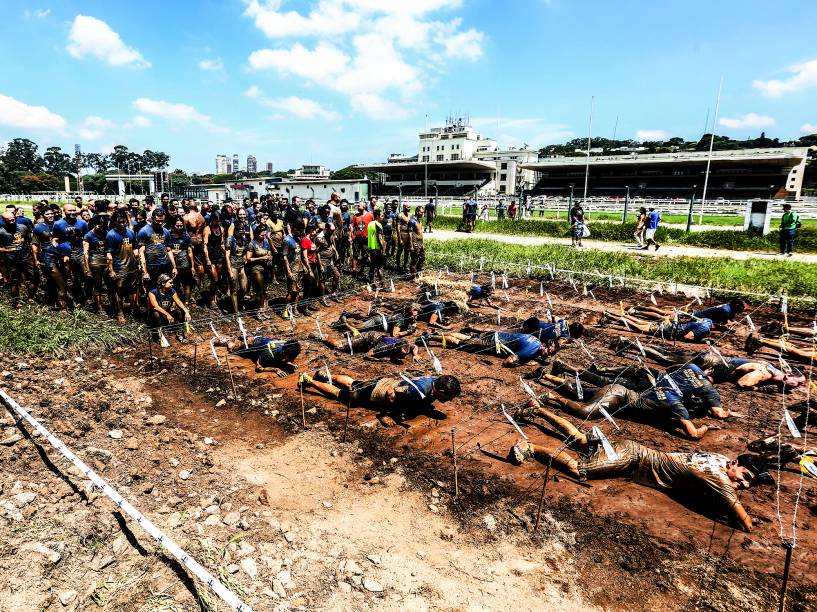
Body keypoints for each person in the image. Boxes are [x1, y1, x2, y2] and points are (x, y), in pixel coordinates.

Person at [507, 405, 767, 532]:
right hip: (631, 458)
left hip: (633, 451)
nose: (743, 485)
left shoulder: (719, 458)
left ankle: (538, 409)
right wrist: (752, 524)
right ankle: (531, 447)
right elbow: (745, 524)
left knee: (581, 440)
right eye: (744, 478)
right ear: (734, 464)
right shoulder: (718, 476)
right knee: (579, 469)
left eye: (747, 484)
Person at [535, 362, 729, 439]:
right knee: (585, 411)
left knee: (583, 391)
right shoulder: (676, 405)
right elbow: (694, 434)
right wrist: (707, 427)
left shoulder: (678, 388)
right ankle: (551, 396)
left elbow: (672, 368)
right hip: (618, 396)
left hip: (626, 390)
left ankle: (547, 377)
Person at [300, 369, 461, 423]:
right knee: (340, 393)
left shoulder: (435, 381)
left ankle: (324, 374)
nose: (449, 401)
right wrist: (384, 415)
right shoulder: (418, 390)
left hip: (384, 381)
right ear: (441, 391)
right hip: (374, 392)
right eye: (449, 397)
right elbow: (391, 394)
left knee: (354, 382)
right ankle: (309, 380)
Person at [424, 328, 548, 366]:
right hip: (493, 344)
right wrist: (525, 363)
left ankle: (436, 335)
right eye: (548, 353)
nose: (547, 355)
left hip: (496, 334)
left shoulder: (536, 340)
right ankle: (431, 338)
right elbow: (508, 362)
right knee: (459, 343)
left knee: (466, 337)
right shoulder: (534, 349)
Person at [105, 211, 139, 322]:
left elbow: (135, 247)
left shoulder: (131, 232)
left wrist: (137, 258)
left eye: (124, 221)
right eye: (119, 222)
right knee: (119, 291)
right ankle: (120, 313)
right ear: (114, 221)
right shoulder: (111, 234)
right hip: (119, 268)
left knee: (133, 290)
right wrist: (111, 270)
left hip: (132, 267)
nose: (122, 224)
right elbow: (109, 254)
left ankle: (133, 310)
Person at [601, 310, 714, 342]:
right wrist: (700, 340)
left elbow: (689, 319)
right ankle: (611, 317)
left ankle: (614, 314)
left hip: (670, 324)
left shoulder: (708, 320)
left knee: (641, 322)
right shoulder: (704, 328)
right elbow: (687, 337)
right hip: (670, 329)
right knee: (638, 327)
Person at [214, 335, 301, 374]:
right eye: (290, 358)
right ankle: (227, 341)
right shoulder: (269, 354)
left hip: (262, 339)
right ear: (284, 353)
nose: (292, 359)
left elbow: (283, 358)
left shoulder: (287, 346)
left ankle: (244, 336)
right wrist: (275, 369)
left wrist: (288, 362)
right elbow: (259, 367)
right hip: (252, 345)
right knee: (233, 349)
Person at [319, 330, 416, 363]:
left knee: (354, 341)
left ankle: (349, 331)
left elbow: (415, 346)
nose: (402, 357)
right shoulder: (383, 347)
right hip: (367, 337)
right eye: (400, 355)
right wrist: (381, 360)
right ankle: (322, 337)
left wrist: (415, 355)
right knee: (340, 346)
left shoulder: (404, 343)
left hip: (376, 338)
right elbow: (367, 355)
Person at [82, 217, 111, 314]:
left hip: (106, 260)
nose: (101, 228)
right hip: (95, 262)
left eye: (103, 226)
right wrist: (87, 268)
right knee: (97, 284)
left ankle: (113, 304)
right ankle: (99, 306)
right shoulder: (88, 235)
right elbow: (85, 253)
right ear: (94, 224)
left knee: (109, 283)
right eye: (99, 225)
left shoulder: (106, 233)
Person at [245, 224, 273, 315]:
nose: (263, 237)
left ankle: (262, 309)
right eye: (262, 235)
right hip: (256, 269)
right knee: (259, 290)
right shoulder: (252, 244)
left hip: (265, 268)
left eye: (265, 235)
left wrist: (269, 257)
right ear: (257, 234)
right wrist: (261, 258)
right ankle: (257, 311)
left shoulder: (266, 242)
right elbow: (248, 258)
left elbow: (269, 252)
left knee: (264, 290)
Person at [169, 218, 194, 306]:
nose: (179, 227)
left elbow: (190, 252)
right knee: (174, 283)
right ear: (174, 225)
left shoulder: (186, 236)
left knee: (187, 283)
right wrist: (171, 251)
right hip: (173, 264)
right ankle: (174, 302)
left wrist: (192, 266)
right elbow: (166, 249)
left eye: (181, 225)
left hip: (185, 264)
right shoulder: (169, 236)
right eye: (177, 225)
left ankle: (186, 301)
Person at [367, 208, 385, 285]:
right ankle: (382, 283)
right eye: (382, 216)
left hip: (371, 248)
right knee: (379, 267)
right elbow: (380, 238)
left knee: (372, 266)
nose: (383, 217)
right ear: (377, 216)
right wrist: (383, 249)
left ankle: (372, 282)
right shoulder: (378, 224)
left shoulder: (370, 224)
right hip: (377, 249)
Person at [408, 206, 425, 276]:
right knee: (414, 260)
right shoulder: (412, 221)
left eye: (423, 212)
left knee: (422, 258)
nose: (422, 214)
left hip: (420, 243)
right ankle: (413, 276)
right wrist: (411, 245)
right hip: (415, 243)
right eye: (421, 212)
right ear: (417, 212)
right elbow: (409, 234)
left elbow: (420, 233)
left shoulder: (419, 221)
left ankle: (418, 273)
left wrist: (422, 243)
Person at [395, 203, 411, 271]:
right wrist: (399, 238)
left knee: (407, 252)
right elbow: (398, 228)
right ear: (404, 207)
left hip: (408, 235)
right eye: (408, 207)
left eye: (410, 207)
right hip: (402, 234)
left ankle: (405, 265)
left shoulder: (410, 215)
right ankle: (398, 265)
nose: (409, 208)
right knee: (399, 251)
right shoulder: (400, 215)